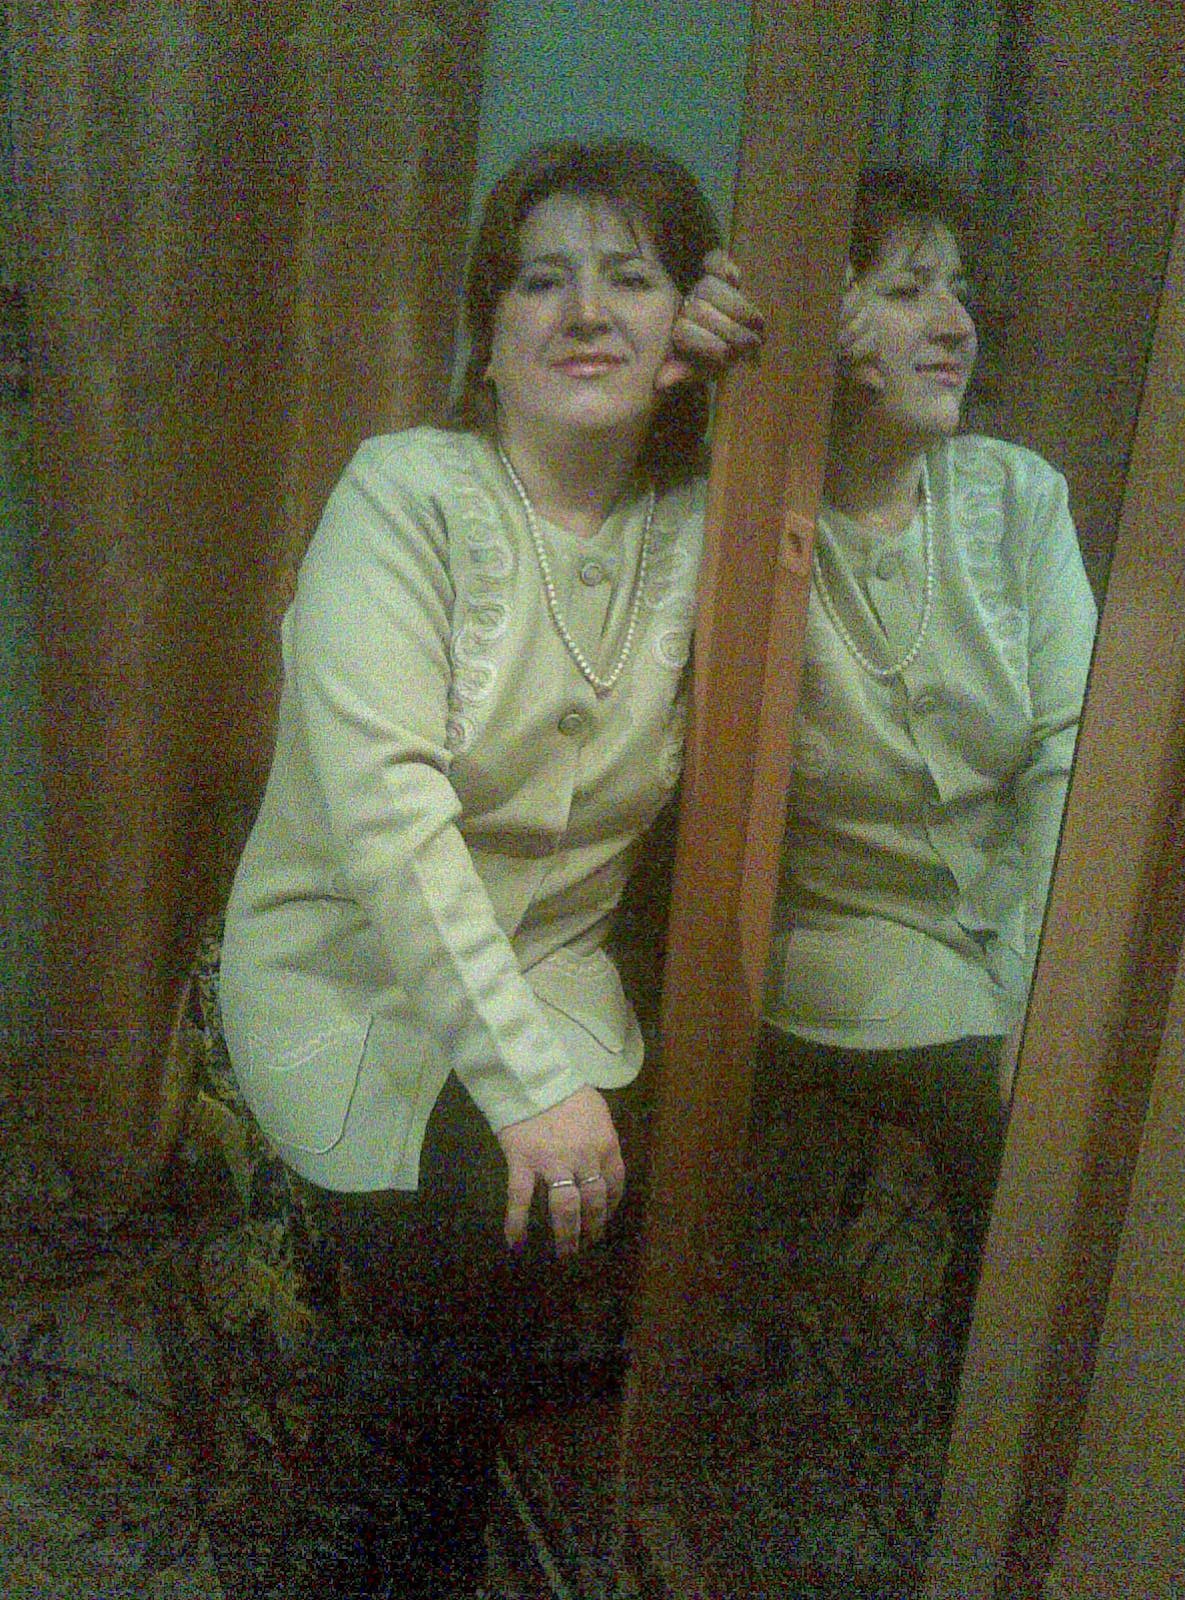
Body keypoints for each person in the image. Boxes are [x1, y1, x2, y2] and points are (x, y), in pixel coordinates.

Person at [217, 137, 761, 1598]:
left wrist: (766, 384)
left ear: (687, 326)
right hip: (347, 974)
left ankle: (419, 1504)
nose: (583, 311)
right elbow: (388, 819)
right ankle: (384, 1544)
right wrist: (525, 1086)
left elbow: (850, 525)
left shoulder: (706, 519)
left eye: (629, 279)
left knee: (583, 1209)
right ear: (491, 331)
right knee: (478, 1214)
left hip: (559, 969)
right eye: (540, 281)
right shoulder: (404, 492)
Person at [758, 166, 1098, 1403]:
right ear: (830, 318)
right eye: (907, 291)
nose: (956, 323)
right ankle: (981, 1427)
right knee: (1014, 1129)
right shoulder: (749, 518)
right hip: (846, 935)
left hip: (1017, 911)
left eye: (958, 290)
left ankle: (1032, 1400)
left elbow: (1069, 748)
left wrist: (1043, 975)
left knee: (1100, 1092)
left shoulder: (1017, 497)